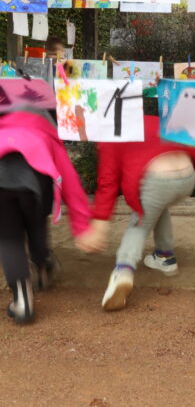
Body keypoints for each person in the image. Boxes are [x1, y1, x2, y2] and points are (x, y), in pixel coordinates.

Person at [0, 107, 106, 324]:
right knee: (37, 222)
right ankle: (42, 265)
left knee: (9, 239)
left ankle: (22, 302)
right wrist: (82, 227)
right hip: (35, 182)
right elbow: (70, 181)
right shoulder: (46, 130)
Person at [93, 114, 195, 312]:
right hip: (187, 176)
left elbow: (107, 182)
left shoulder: (111, 133)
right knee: (157, 206)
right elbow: (193, 141)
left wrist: (100, 219)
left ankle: (123, 271)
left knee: (140, 222)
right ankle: (164, 256)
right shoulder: (153, 119)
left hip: (158, 181)